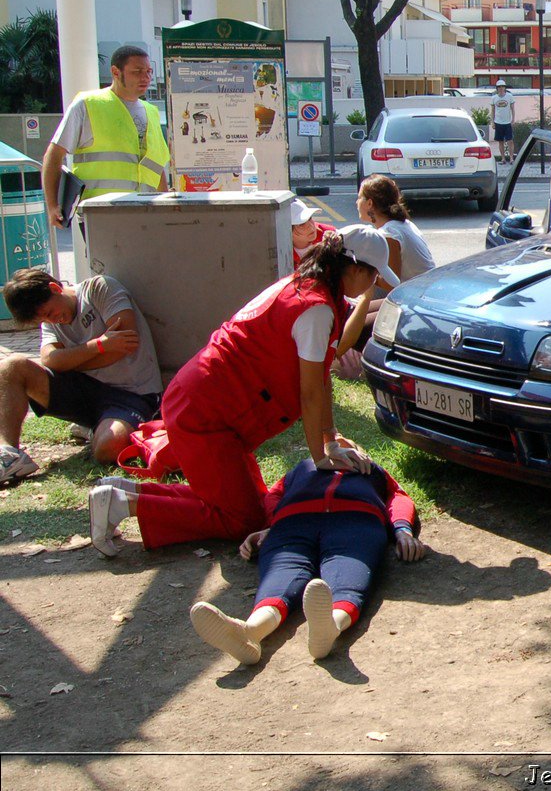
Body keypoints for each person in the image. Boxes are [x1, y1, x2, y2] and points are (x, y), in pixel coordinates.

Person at [86, 226, 398, 556]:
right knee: (241, 520)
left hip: (206, 403)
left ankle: (123, 492)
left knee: (256, 504)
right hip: (207, 414)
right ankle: (125, 503)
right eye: (374, 275)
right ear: (355, 269)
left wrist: (330, 437)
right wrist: (322, 457)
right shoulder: (316, 309)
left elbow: (322, 372)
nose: (374, 284)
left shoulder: (307, 288)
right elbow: (311, 391)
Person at [186, 458, 426, 665]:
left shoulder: (372, 468)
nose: (339, 441)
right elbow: (274, 495)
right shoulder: (301, 468)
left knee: (348, 577)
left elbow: (398, 497)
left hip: (356, 519)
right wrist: (271, 525)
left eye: (346, 441)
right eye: (331, 438)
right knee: (281, 576)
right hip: (293, 522)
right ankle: (250, 632)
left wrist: (402, 531)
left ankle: (330, 626)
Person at [0, 270, 162, 480]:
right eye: (42, 319)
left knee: (107, 449)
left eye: (49, 313)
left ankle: (97, 428)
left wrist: (70, 361)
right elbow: (51, 360)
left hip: (132, 394)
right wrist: (98, 346)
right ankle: (9, 454)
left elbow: (125, 344)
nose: (52, 321)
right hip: (85, 390)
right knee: (11, 366)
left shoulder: (99, 289)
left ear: (55, 288)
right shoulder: (50, 322)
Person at [42, 47, 171, 272]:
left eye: (149, 72)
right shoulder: (88, 104)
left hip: (145, 212)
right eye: (137, 71)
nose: (146, 78)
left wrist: (165, 203)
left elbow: (155, 164)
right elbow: (54, 154)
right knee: (111, 277)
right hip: (102, 212)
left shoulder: (151, 111)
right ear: (115, 72)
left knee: (147, 276)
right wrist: (53, 205)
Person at [356, 176, 436, 295]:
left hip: (417, 295)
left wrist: (362, 275)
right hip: (423, 290)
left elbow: (391, 284)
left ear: (369, 203)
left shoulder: (389, 234)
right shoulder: (403, 224)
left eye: (359, 198)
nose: (357, 202)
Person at [290, 199, 337, 266]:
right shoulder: (280, 251)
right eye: (301, 224)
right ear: (287, 230)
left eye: (310, 218)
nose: (311, 226)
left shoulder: (329, 234)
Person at [490, 79, 516, 164]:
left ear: (505, 88)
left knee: (510, 141)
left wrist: (513, 119)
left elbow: (512, 108)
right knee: (500, 141)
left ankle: (511, 158)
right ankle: (503, 158)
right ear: (497, 88)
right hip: (498, 122)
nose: (501, 88)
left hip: (507, 122)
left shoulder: (509, 96)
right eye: (499, 87)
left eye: (502, 86)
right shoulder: (494, 98)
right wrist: (493, 122)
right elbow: (493, 110)